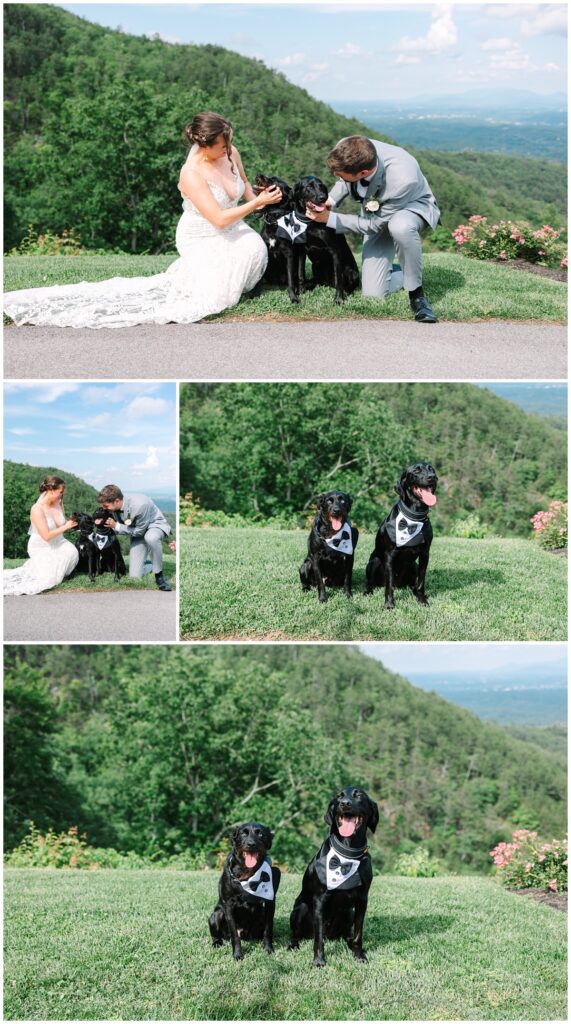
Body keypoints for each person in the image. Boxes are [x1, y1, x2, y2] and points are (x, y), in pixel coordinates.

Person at [3, 112, 282, 328]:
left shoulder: (230, 153)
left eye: (229, 142)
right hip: (202, 233)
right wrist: (257, 204)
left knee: (253, 248)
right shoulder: (192, 173)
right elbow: (218, 219)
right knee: (212, 295)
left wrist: (260, 196)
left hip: (232, 225)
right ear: (204, 145)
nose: (228, 148)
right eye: (222, 144)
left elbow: (243, 184)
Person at [305, 135, 440, 323]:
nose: (335, 175)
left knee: (399, 226)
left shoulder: (403, 179)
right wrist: (330, 201)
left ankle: (416, 292)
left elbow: (373, 225)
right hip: (377, 212)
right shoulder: (348, 146)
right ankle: (400, 267)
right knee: (372, 295)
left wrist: (329, 218)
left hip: (411, 206)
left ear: (363, 172)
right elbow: (344, 181)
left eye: (340, 173)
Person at [3, 476, 79, 596]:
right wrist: (66, 527)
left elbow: (62, 524)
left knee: (71, 552)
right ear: (51, 490)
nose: (62, 495)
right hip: (43, 545)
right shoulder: (37, 509)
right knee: (47, 578)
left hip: (59, 542)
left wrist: (75, 526)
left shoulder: (59, 503)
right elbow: (46, 536)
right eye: (60, 492)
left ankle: (59, 571)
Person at [97, 485, 175, 592]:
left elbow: (139, 531)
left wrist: (116, 526)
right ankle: (151, 563)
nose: (105, 509)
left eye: (106, 506)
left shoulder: (140, 505)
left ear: (117, 501)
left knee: (150, 537)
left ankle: (159, 576)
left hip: (154, 526)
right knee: (134, 576)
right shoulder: (115, 507)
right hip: (137, 531)